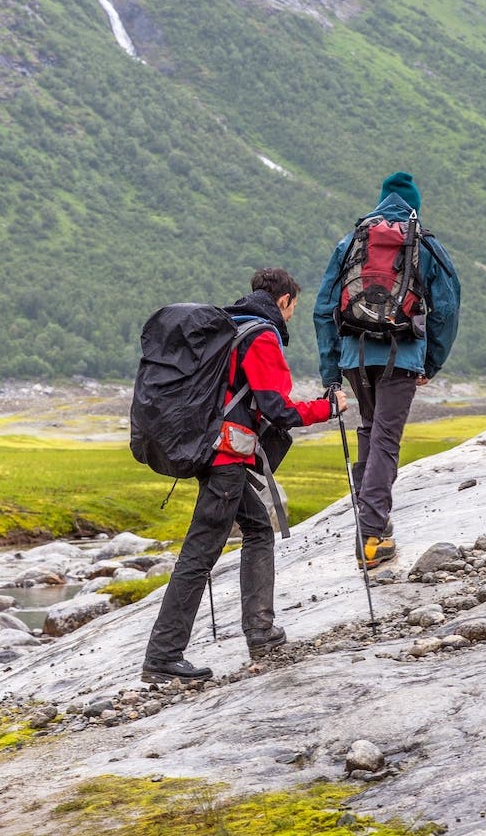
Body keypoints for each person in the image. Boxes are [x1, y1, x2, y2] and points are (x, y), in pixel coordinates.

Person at [141, 268, 347, 684]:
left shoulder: (230, 326)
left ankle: (261, 631)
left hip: (209, 449)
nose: (290, 316)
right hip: (226, 460)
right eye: (293, 308)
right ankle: (163, 656)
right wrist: (330, 408)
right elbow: (279, 409)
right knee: (199, 556)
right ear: (285, 300)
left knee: (257, 530)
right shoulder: (261, 336)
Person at [314, 172, 461, 569]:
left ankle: (373, 522)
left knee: (369, 430)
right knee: (386, 439)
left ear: (381, 201)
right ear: (414, 205)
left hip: (354, 358)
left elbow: (323, 309)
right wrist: (431, 362)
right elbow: (446, 309)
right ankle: (371, 535)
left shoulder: (352, 243)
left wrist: (331, 373)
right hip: (402, 357)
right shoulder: (424, 244)